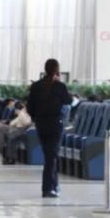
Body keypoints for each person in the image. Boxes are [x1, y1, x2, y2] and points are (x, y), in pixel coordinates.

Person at [27, 59, 73, 198]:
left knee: (50, 156)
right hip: (55, 124)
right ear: (57, 70)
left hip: (41, 124)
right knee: (51, 157)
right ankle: (48, 188)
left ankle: (54, 185)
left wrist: (36, 118)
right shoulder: (59, 86)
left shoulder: (36, 86)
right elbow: (68, 101)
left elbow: (30, 107)